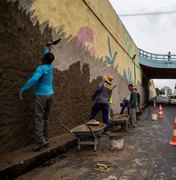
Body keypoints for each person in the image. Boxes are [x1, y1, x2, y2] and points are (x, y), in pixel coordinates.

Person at [19, 52, 55, 151]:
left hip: (41, 95)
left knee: (38, 118)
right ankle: (46, 139)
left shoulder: (41, 68)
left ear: (43, 58)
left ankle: (40, 141)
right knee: (45, 118)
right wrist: (46, 48)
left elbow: (34, 79)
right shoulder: (51, 67)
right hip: (50, 95)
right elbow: (48, 57)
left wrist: (23, 89)